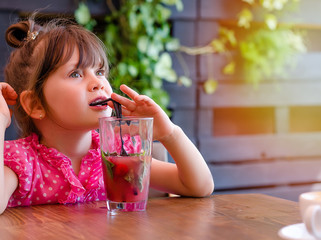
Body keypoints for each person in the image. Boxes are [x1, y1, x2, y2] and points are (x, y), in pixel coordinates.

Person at [0, 17, 214, 214]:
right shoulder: (22, 164)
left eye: (100, 72)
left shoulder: (119, 156)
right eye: (76, 73)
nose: (98, 83)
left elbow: (198, 186)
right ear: (36, 104)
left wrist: (169, 133)